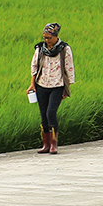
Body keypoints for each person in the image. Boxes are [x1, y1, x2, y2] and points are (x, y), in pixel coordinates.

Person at [27, 22, 74, 154]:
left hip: (57, 86)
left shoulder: (64, 49)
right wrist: (32, 84)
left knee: (51, 113)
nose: (46, 40)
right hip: (41, 84)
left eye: (49, 38)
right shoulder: (40, 48)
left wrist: (67, 88)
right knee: (43, 115)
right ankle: (45, 144)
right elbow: (34, 66)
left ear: (56, 36)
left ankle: (54, 144)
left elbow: (69, 68)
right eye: (45, 38)